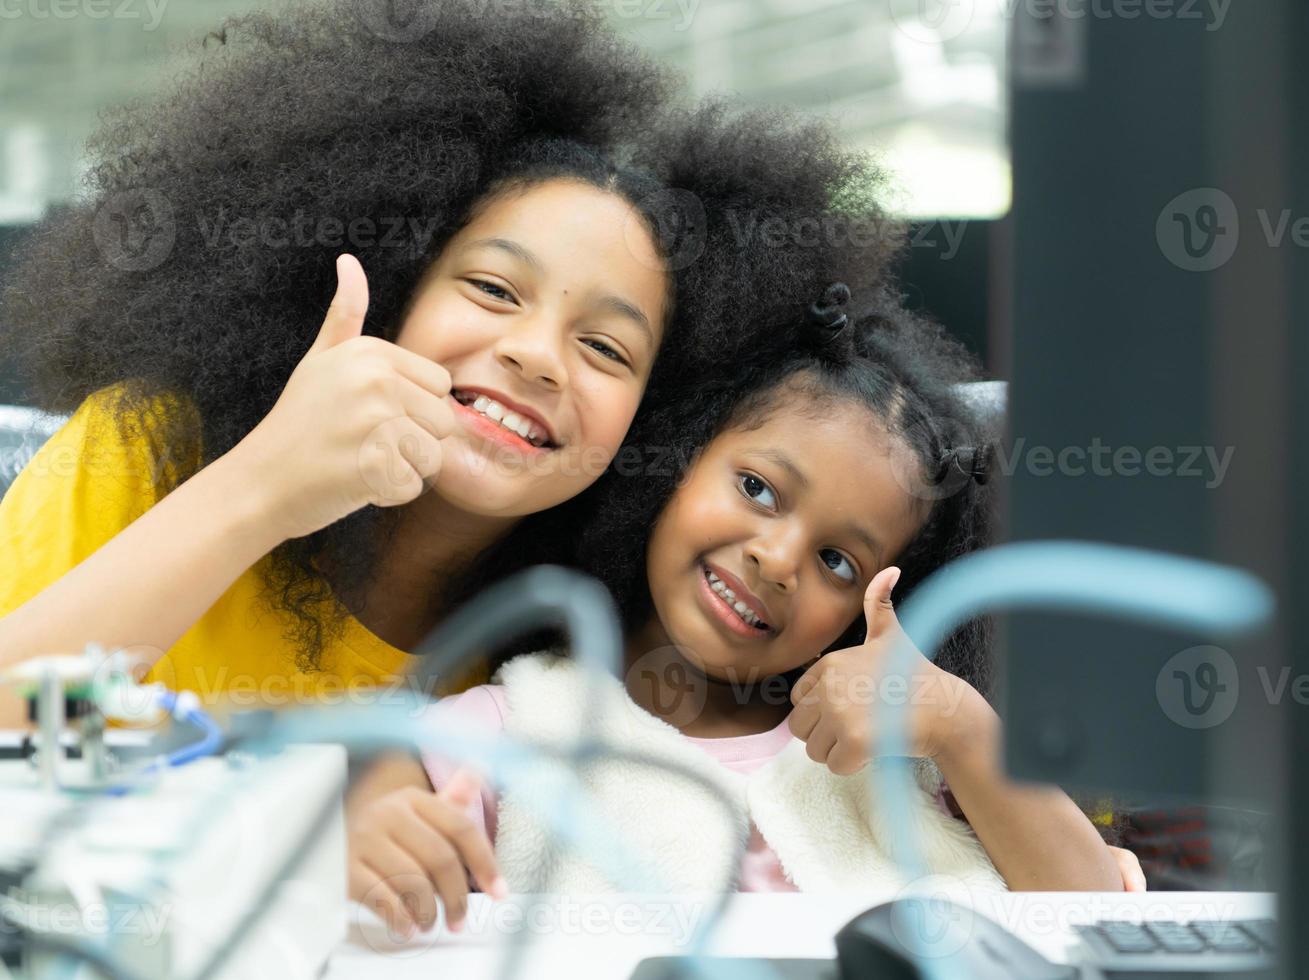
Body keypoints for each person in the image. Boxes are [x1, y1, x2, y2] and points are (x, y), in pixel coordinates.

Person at [0, 0, 899, 723]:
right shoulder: (150, 449)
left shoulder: (551, 667)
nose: (537, 356)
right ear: (395, 291)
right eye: (495, 290)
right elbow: (18, 723)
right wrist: (261, 488)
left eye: (604, 348)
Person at [347, 286, 1142, 938]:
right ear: (677, 461)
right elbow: (364, 822)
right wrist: (375, 831)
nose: (776, 558)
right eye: (757, 488)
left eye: (838, 561)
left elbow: (1095, 921)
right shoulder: (509, 729)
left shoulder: (919, 761)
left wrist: (959, 722)